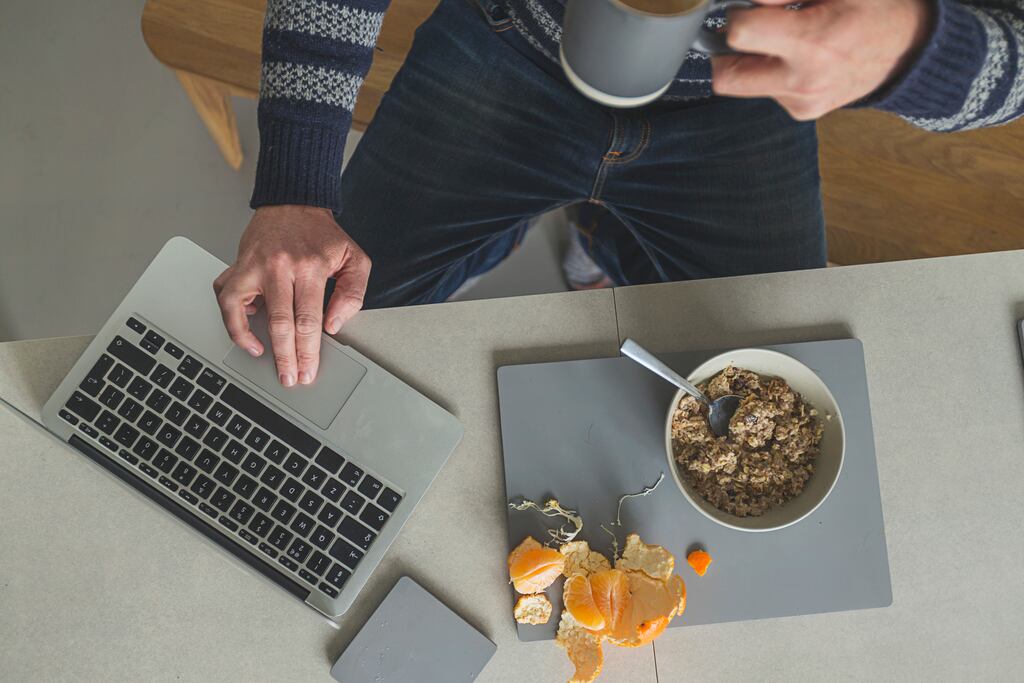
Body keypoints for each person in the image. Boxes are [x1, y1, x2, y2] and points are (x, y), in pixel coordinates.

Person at [213, 0, 1024, 387]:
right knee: (318, 345)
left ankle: (595, 238)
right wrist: (297, 181)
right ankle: (578, 229)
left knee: (773, 396)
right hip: (508, 42)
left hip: (740, 103)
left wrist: (920, 47)